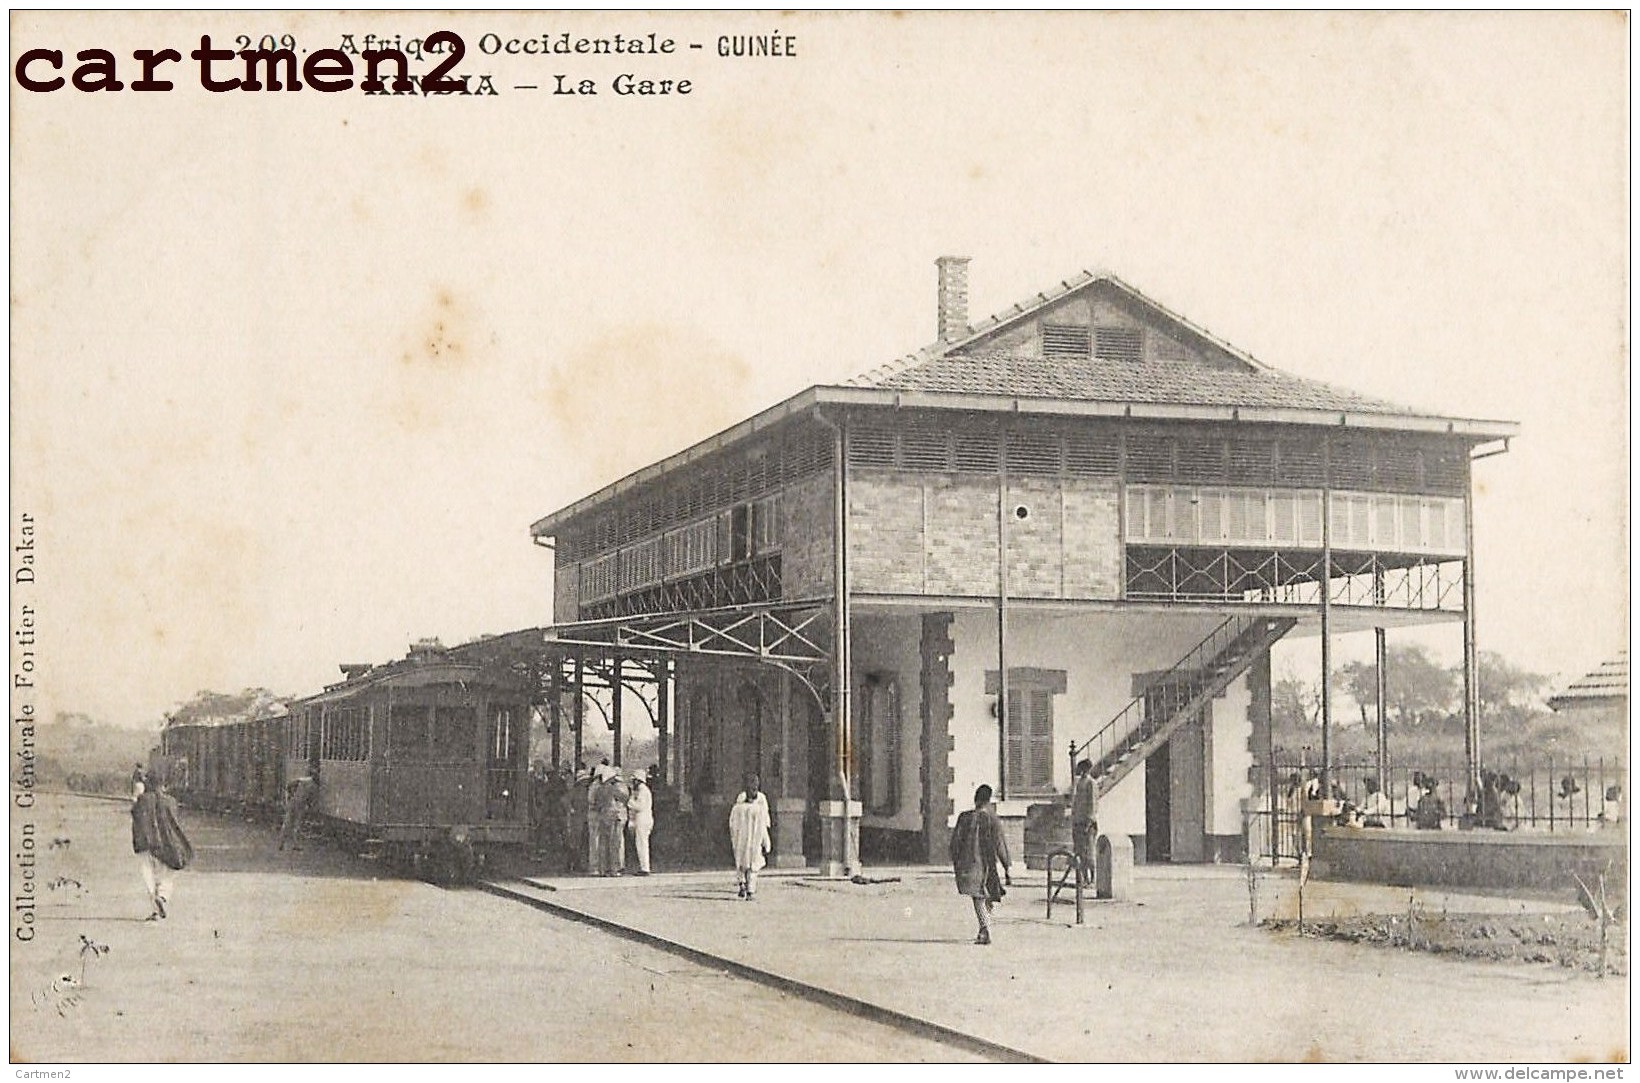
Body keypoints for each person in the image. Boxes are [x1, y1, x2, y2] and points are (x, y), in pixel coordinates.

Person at [950, 785, 1011, 945]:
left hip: (969, 863)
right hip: (988, 864)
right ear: (989, 800)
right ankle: (984, 928)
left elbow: (955, 843)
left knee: (979, 897)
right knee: (985, 896)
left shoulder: (965, 818)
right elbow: (1000, 845)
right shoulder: (992, 819)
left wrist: (956, 861)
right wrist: (1006, 866)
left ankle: (985, 929)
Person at [131, 772, 193, 920]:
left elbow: (135, 815)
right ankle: (163, 896)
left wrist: (136, 798)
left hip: (146, 843)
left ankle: (154, 909)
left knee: (148, 875)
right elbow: (174, 824)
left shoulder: (142, 800)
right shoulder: (170, 801)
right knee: (168, 873)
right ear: (163, 785)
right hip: (166, 844)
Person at [727, 773, 771, 900]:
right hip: (753, 841)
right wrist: (766, 843)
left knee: (741, 863)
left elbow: (732, 825)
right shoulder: (757, 810)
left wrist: (734, 838)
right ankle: (750, 890)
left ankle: (742, 884)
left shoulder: (738, 808)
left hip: (741, 840)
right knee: (752, 866)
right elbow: (763, 826)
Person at [1070, 758, 1098, 884]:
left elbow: (1092, 803)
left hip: (1087, 823)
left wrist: (1089, 821)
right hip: (1078, 822)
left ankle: (1092, 878)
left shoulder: (1091, 783)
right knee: (1079, 851)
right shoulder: (1079, 783)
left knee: (1089, 852)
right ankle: (1084, 878)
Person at [278, 770, 319, 851]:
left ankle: (282, 843)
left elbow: (289, 785)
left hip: (294, 801)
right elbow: (311, 799)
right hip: (301, 804)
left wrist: (290, 795)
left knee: (287, 822)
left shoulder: (303, 780)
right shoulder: (314, 786)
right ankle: (295, 844)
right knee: (297, 824)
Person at [599, 767, 630, 876]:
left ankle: (604, 868)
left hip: (604, 816)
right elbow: (626, 797)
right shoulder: (615, 788)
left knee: (604, 843)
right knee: (615, 843)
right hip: (614, 816)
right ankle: (615, 868)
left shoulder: (601, 788)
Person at [627, 769, 655, 875]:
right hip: (644, 818)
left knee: (642, 844)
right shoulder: (642, 790)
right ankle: (644, 866)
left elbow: (639, 806)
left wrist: (629, 801)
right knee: (642, 843)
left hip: (642, 818)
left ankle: (645, 868)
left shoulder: (643, 791)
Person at [585, 766, 606, 876]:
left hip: (599, 814)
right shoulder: (595, 786)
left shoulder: (597, 786)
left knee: (598, 841)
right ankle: (594, 867)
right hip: (594, 815)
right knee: (595, 841)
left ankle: (599, 866)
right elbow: (591, 801)